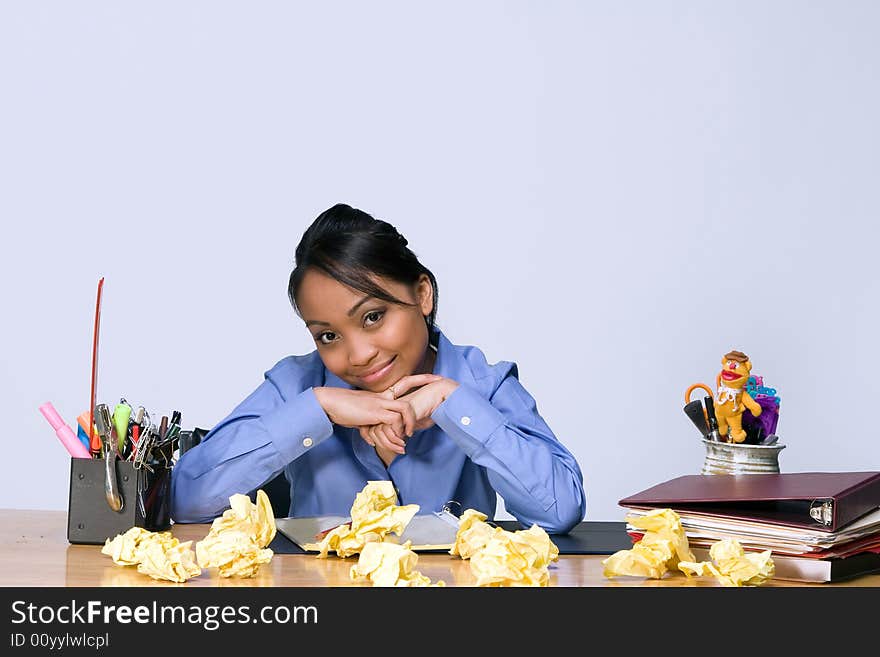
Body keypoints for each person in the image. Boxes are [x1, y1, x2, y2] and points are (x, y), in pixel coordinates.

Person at [171, 203, 586, 533]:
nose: (359, 355)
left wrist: (451, 402)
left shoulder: (482, 383)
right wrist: (318, 409)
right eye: (328, 336)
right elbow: (187, 498)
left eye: (372, 317)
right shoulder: (297, 384)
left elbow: (559, 510)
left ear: (422, 294)